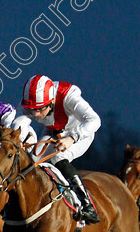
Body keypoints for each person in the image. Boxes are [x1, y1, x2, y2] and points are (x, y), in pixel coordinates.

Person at [21, 74, 101, 223]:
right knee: (32, 162)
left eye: (39, 109)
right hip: (53, 131)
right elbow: (21, 122)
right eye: (32, 110)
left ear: (52, 101)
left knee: (58, 157)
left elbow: (95, 120)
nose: (36, 114)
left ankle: (87, 205)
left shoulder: (68, 96)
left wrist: (72, 138)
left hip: (79, 132)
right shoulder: (34, 102)